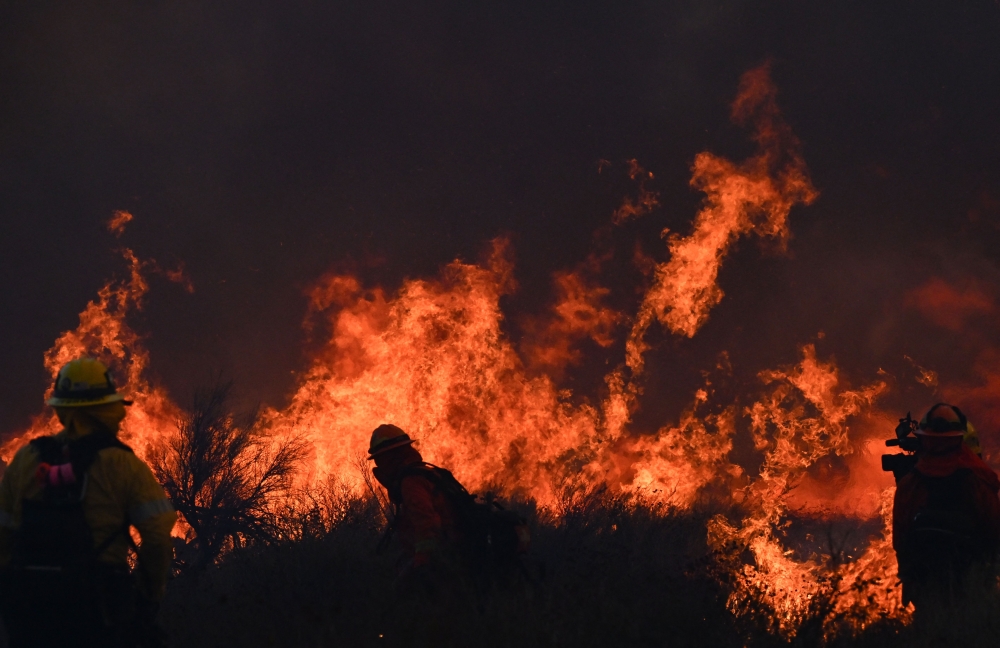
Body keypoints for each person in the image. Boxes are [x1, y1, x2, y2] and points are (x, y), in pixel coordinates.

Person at [0, 358, 177, 647]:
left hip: (32, 615)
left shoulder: (26, 461)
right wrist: (148, 598)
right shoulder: (122, 464)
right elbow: (157, 538)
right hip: (99, 614)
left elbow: (3, 538)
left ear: (60, 408)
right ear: (107, 408)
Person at [892, 403, 1000, 609]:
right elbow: (993, 535)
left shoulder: (910, 485)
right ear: (960, 439)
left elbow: (901, 541)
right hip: (972, 590)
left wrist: (909, 584)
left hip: (925, 592)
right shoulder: (979, 481)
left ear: (923, 440)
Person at [368, 424, 462, 584]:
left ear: (392, 457)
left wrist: (421, 562)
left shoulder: (411, 482)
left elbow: (428, 524)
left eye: (381, 458)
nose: (379, 464)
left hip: (446, 556)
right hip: (455, 549)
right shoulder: (427, 472)